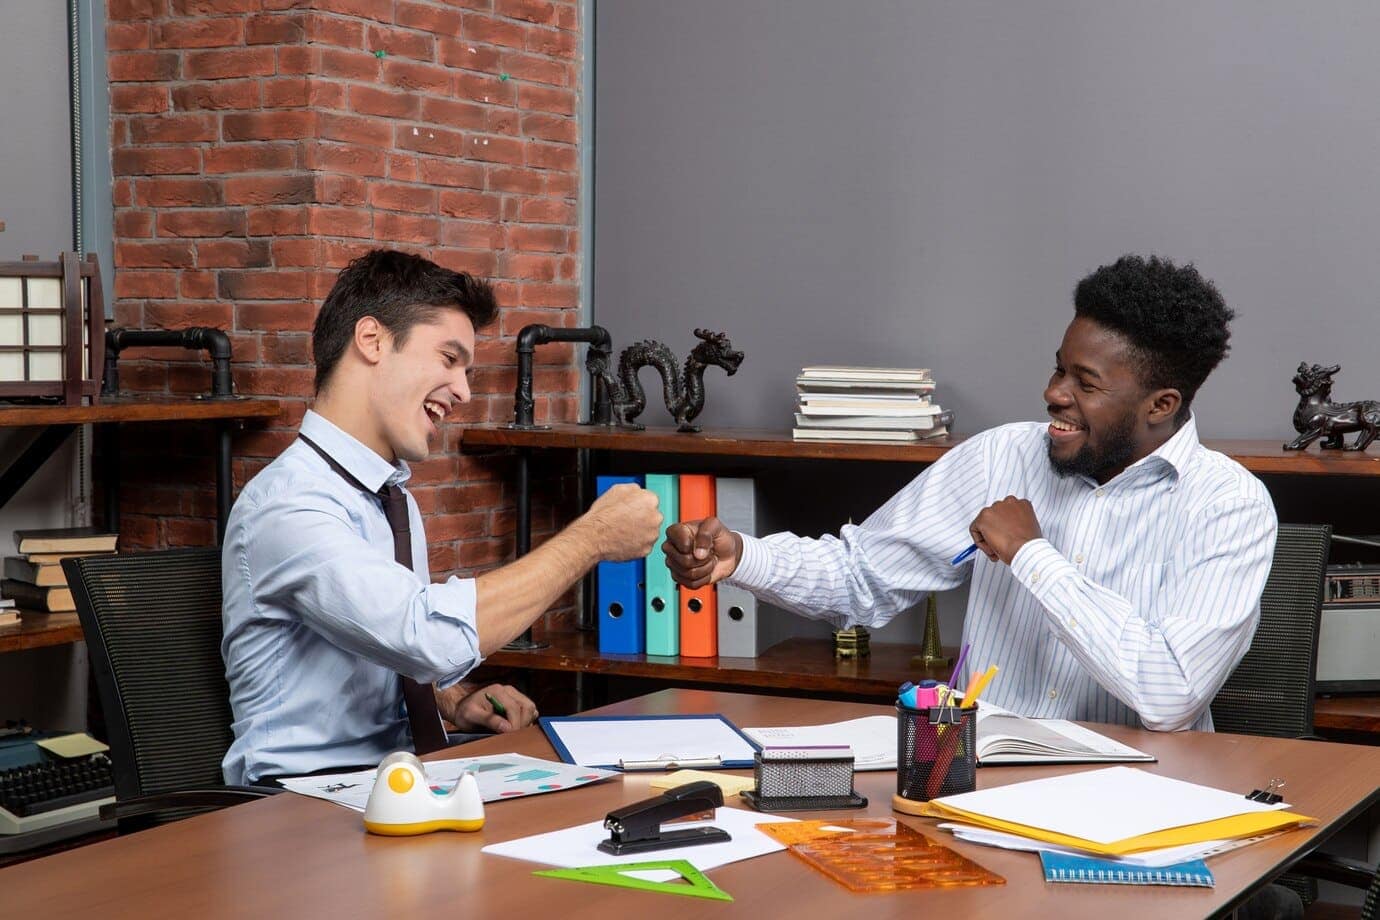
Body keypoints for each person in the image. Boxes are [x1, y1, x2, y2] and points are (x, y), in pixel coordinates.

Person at [664, 254, 1279, 734]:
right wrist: (742, 557)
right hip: (979, 782)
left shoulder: (1228, 505)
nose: (1053, 393)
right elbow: (861, 577)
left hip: (1136, 797)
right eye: (1058, 368)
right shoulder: (1000, 457)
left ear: (1160, 405)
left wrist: (1031, 556)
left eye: (1084, 383)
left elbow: (1169, 694)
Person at [221, 249, 662, 785]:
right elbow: (425, 637)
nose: (464, 391)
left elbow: (376, 641)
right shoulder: (289, 506)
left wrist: (452, 701)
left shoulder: (387, 496)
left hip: (393, 780)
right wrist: (591, 538)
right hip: (302, 801)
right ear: (372, 340)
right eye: (449, 359)